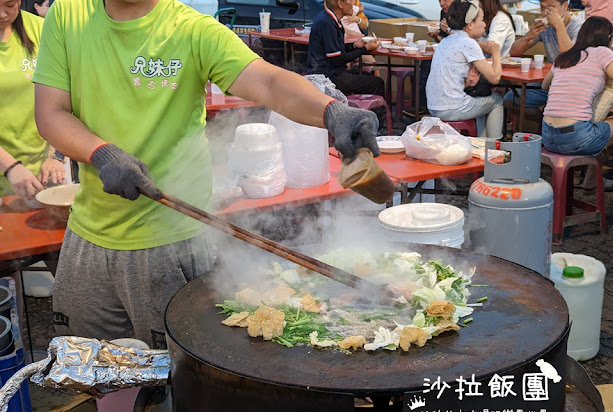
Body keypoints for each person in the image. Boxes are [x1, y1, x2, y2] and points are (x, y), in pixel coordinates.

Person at [32, 0, 380, 348]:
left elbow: (269, 82)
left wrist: (331, 110)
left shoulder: (191, 28)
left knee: (175, 378)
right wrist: (100, 152)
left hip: (171, 242)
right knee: (93, 371)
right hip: (87, 239)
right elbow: (51, 112)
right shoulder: (67, 14)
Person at [541, 16, 613, 211]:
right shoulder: (604, 53)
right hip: (576, 137)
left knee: (608, 128)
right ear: (610, 37)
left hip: (548, 136)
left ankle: (590, 182)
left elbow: (545, 85)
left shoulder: (566, 56)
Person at [0, 0, 65, 201]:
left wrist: (56, 155)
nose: (2, 14)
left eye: (9, 5)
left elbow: (65, 95)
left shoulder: (40, 27)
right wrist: (10, 166)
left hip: (42, 169)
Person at [426, 0, 504, 139]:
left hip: (434, 105)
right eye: (481, 20)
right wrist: (496, 53)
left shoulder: (446, 40)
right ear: (470, 24)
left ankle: (482, 145)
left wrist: (466, 83)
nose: (485, 24)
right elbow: (495, 78)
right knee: (497, 101)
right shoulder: (468, 43)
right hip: (451, 107)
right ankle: (494, 147)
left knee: (482, 99)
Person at [506, 0, 583, 108]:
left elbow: (570, 58)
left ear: (565, 6)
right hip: (548, 81)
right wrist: (529, 35)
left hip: (569, 84)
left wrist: (559, 26)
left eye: (551, 8)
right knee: (510, 99)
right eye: (542, 8)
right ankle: (540, 121)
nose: (546, 13)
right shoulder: (545, 27)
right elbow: (513, 53)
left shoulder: (578, 26)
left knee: (553, 106)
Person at [307, 0, 384, 99]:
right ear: (340, 4)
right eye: (350, 0)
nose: (353, 3)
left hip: (330, 73)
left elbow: (336, 49)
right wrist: (365, 49)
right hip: (327, 76)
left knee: (367, 75)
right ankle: (374, 114)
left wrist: (354, 45)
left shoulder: (328, 18)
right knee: (377, 82)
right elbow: (337, 60)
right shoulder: (327, 23)